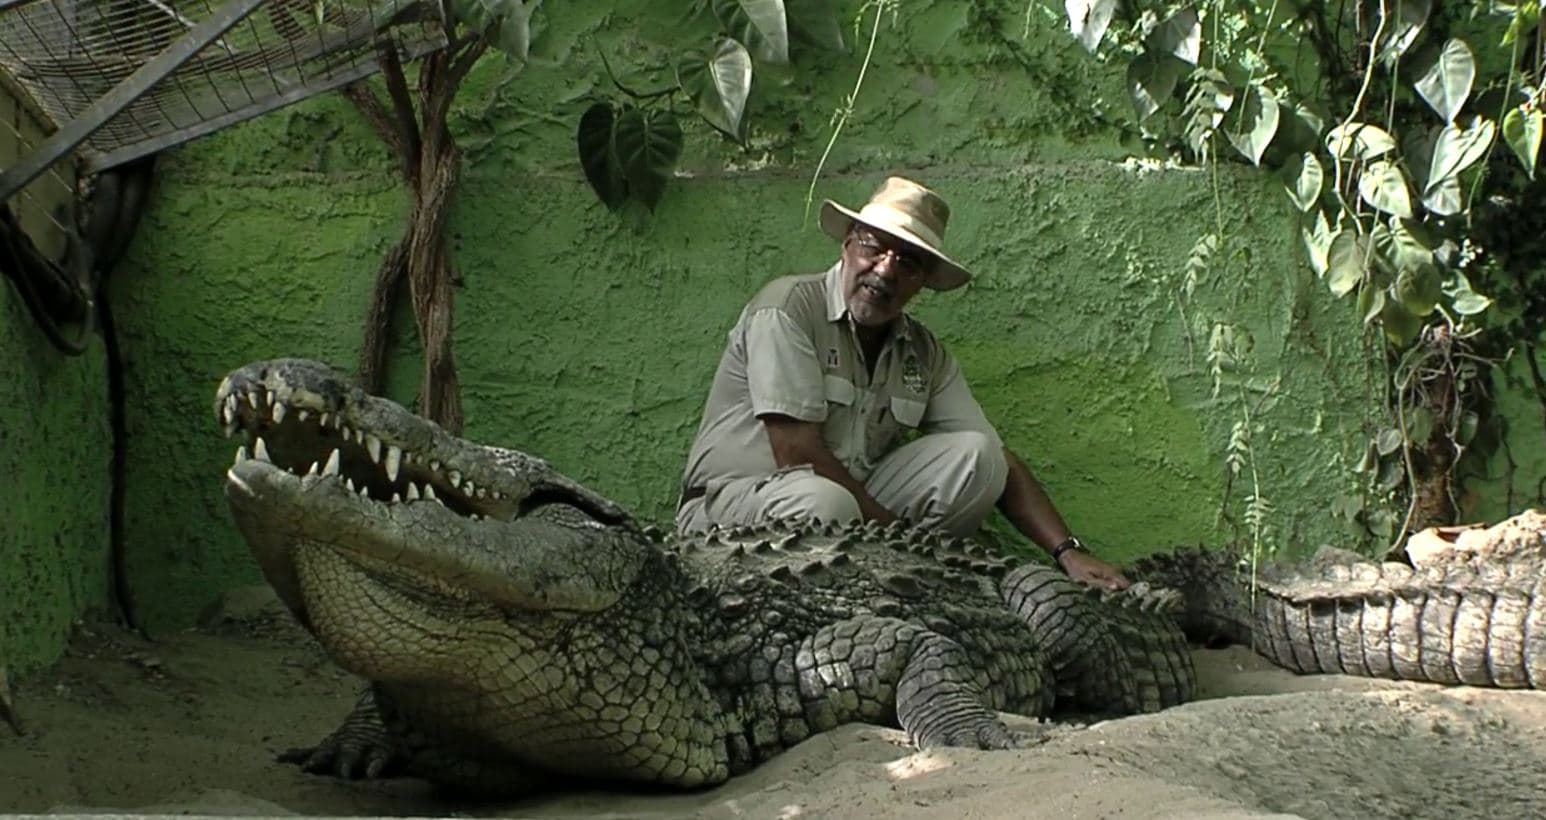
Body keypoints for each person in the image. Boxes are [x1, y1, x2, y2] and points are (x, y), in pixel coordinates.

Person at [674, 176, 1129, 590]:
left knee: (981, 457)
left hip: (852, 514)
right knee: (826, 503)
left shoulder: (924, 353)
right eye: (874, 247)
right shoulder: (787, 308)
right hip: (735, 508)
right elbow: (796, 453)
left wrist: (1067, 551)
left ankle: (892, 584)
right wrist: (900, 540)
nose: (886, 270)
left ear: (923, 282)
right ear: (848, 244)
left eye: (908, 263)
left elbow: (999, 461)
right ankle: (905, 573)